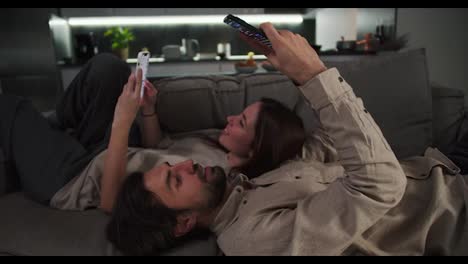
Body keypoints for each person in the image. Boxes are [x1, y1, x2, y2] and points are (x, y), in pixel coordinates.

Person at [106, 22, 468, 256]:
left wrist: (299, 74)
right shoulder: (249, 238)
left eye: (174, 167)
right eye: (175, 178)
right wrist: (313, 74)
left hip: (441, 165)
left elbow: (325, 145)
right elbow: (380, 186)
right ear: (183, 223)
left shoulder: (249, 182)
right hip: (456, 210)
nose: (186, 164)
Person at [0, 49, 307, 210]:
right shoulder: (216, 145)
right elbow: (157, 148)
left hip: (78, 178)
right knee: (109, 68)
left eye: (240, 123)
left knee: (12, 108)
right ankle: (54, 128)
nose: (228, 118)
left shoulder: (211, 180)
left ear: (256, 149)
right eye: (239, 114)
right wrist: (148, 109)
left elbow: (112, 203)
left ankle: (41, 137)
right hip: (114, 150)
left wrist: (122, 120)